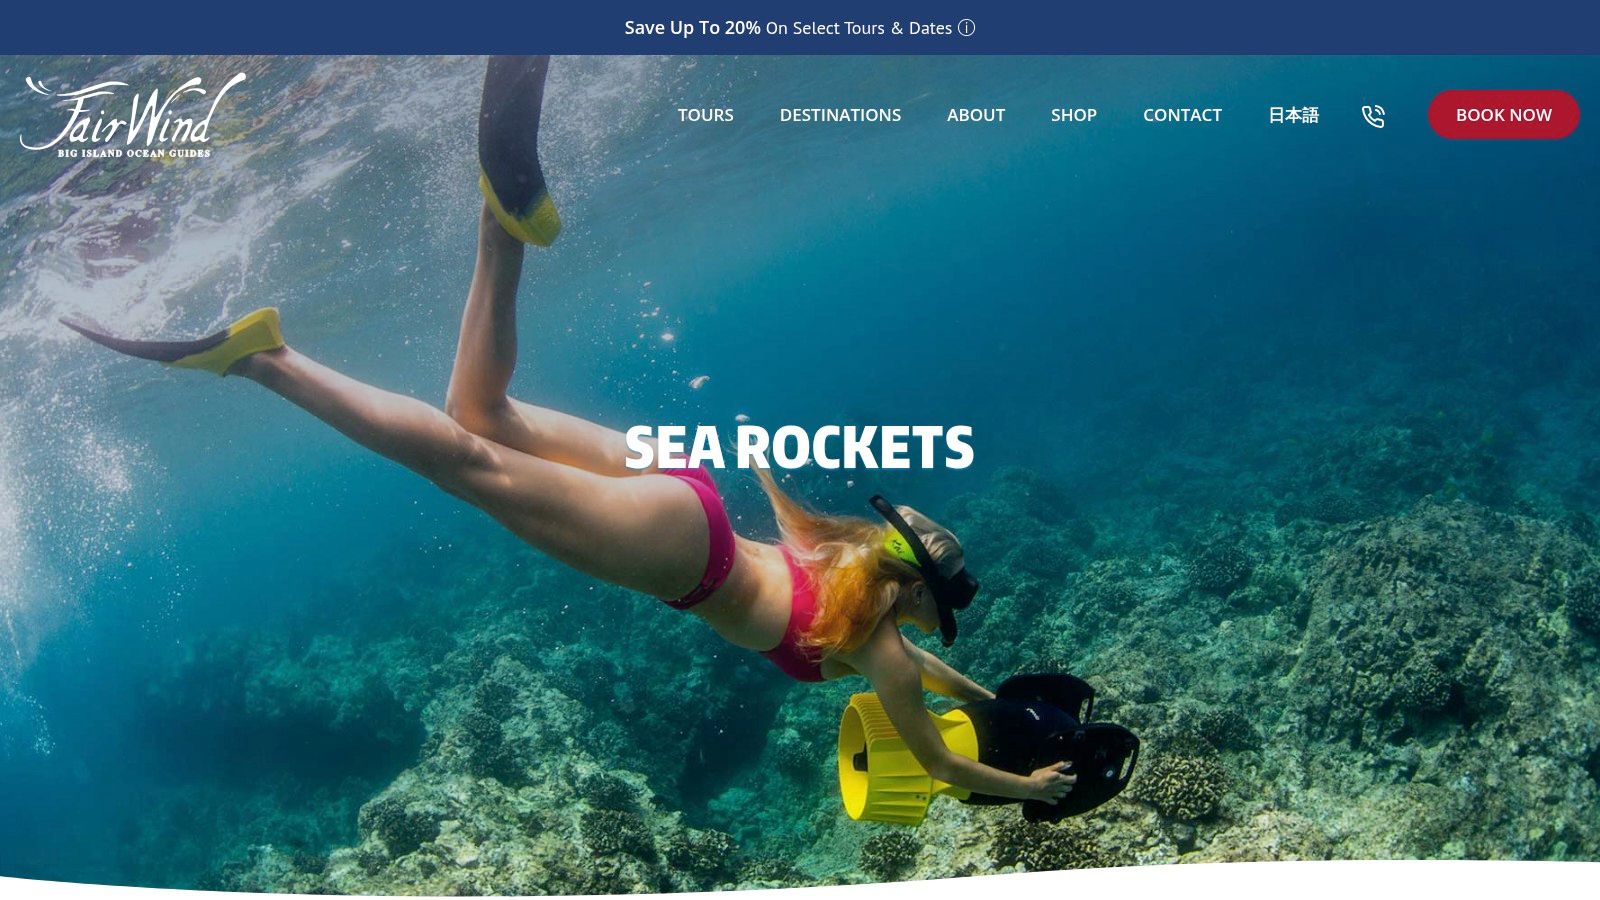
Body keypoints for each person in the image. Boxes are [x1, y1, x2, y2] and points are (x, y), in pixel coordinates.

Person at [62, 56, 1077, 808]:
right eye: (934, 613)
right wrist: (1033, 790)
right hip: (681, 554)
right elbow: (938, 764)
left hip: (686, 489)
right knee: (462, 465)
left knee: (480, 413)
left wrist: (997, 700)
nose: (931, 635)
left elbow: (934, 673)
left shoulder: (854, 576)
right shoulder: (878, 648)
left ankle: (501, 211)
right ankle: (257, 359)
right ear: (918, 596)